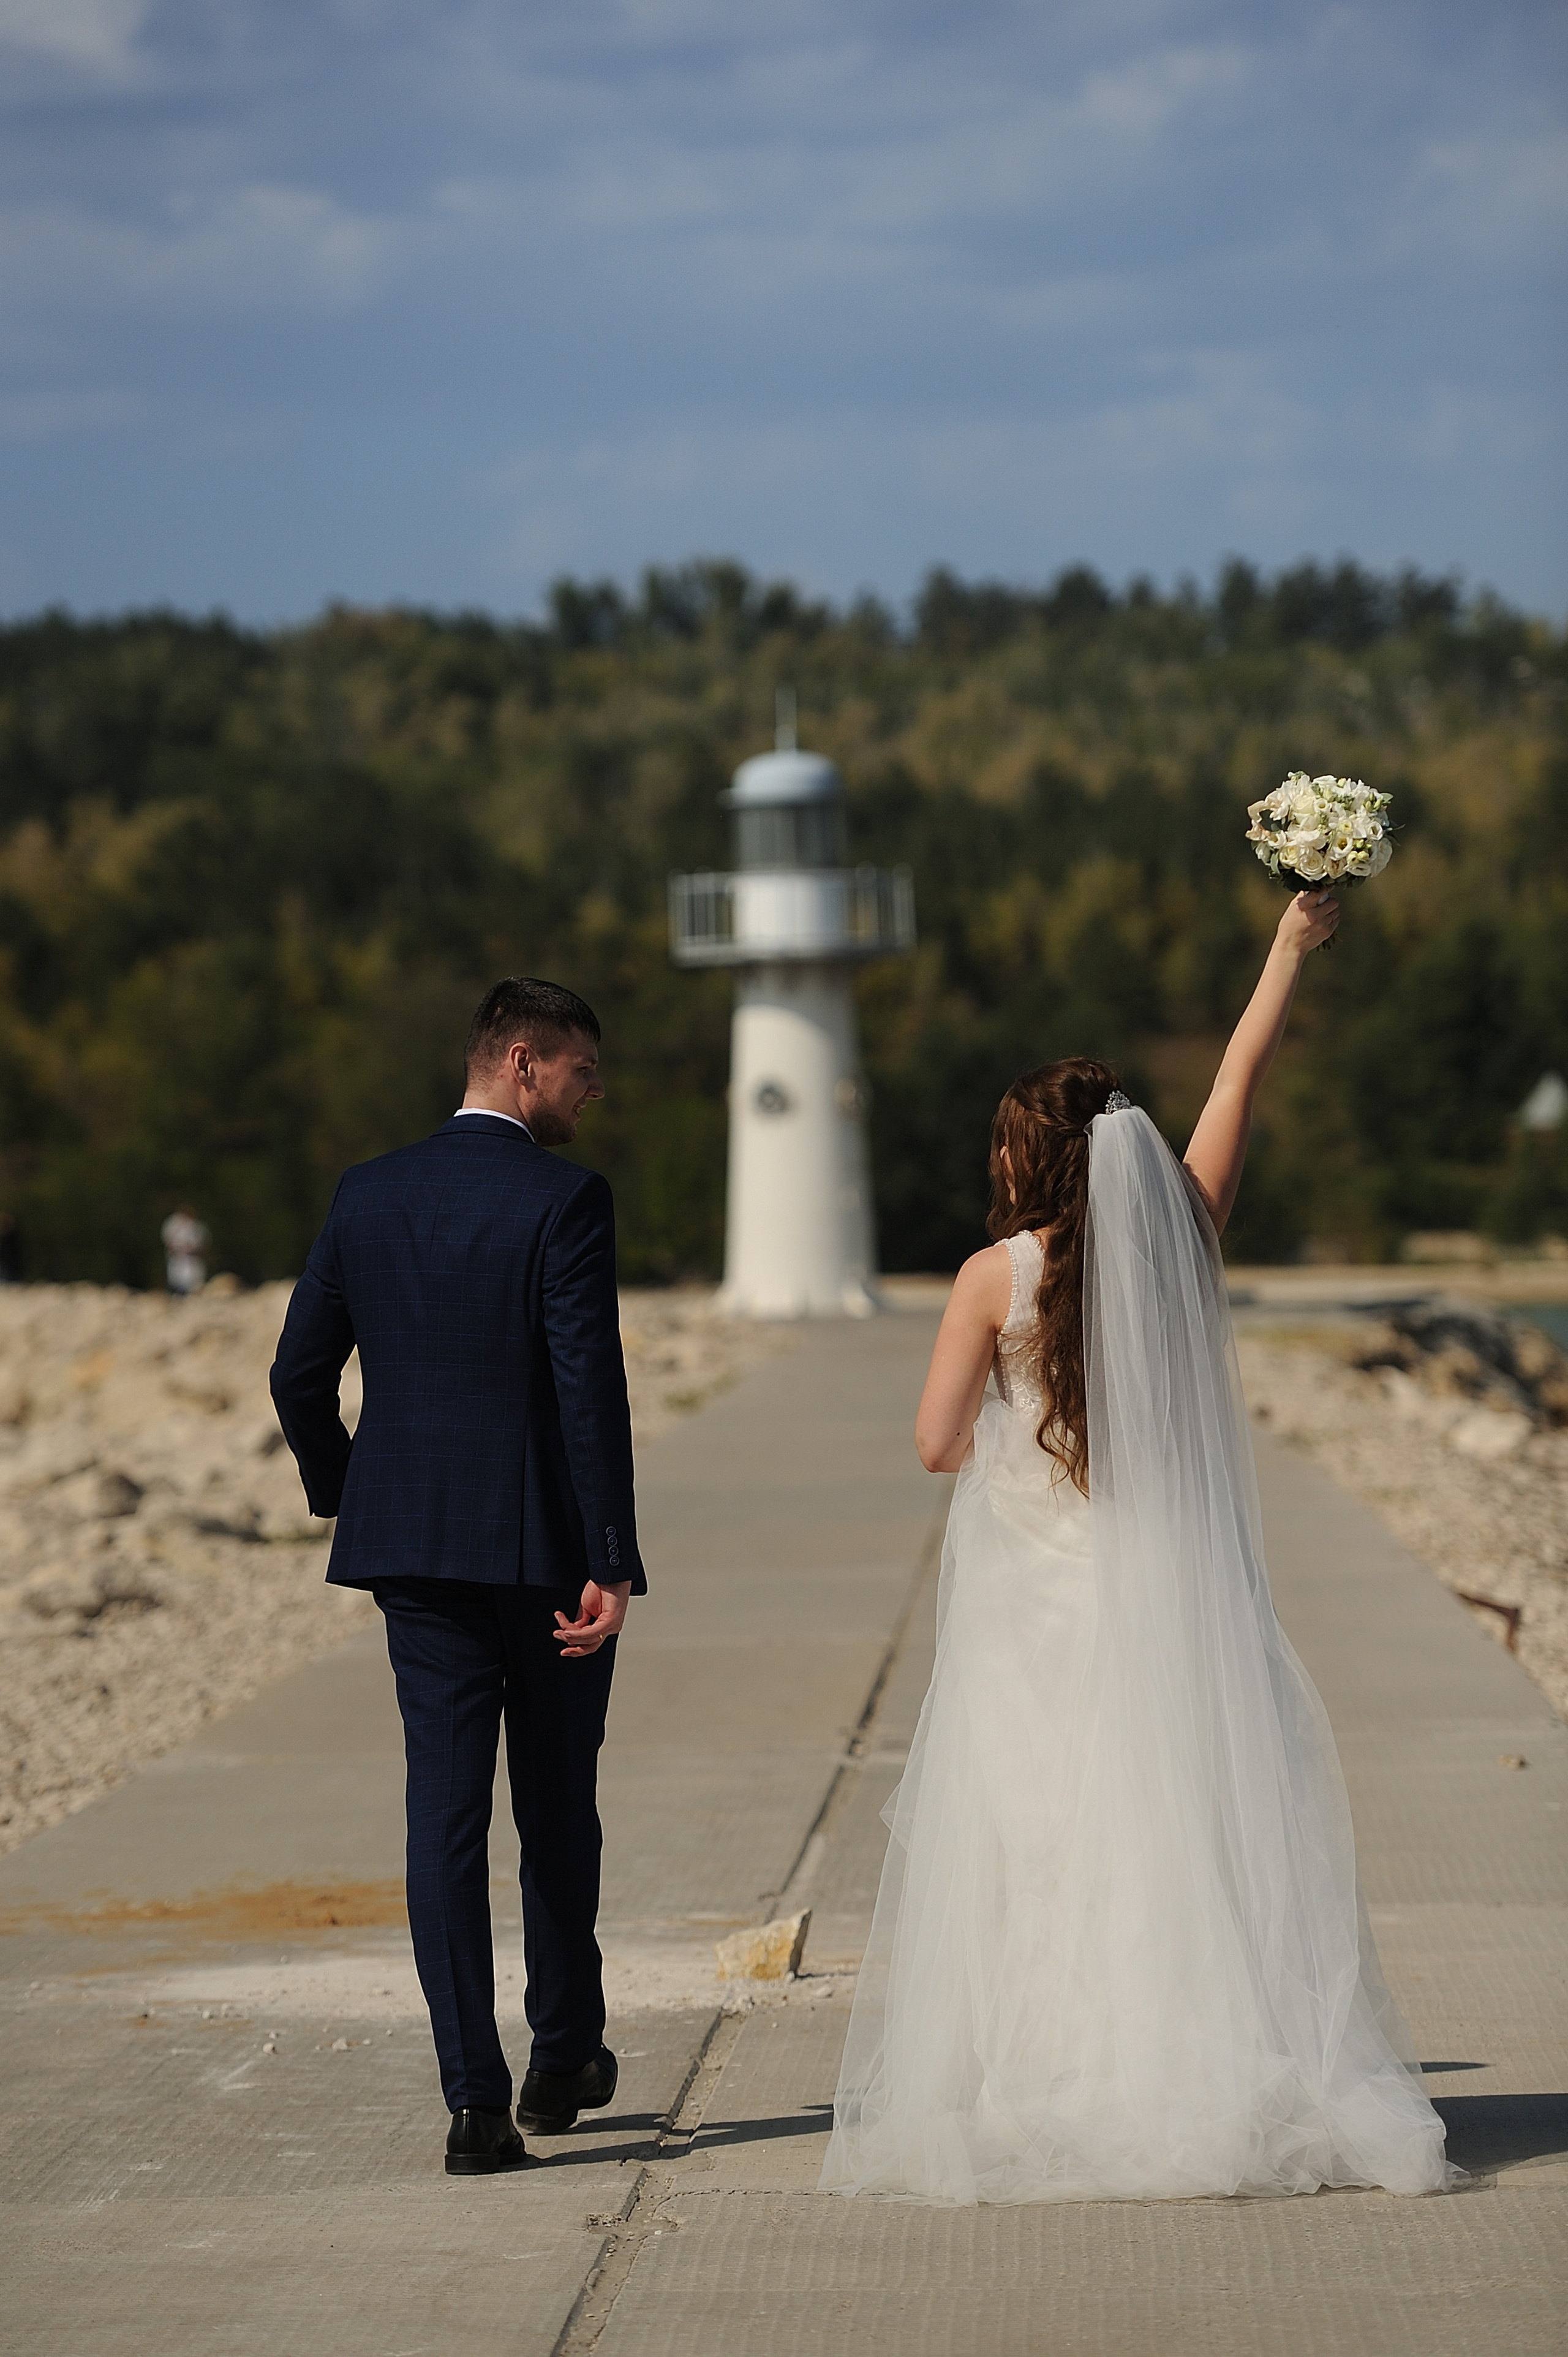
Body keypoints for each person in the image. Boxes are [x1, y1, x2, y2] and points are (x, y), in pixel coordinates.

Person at [821, 889, 1456, 2205]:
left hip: (1037, 1604)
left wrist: (1011, 1412)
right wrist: (1286, 948)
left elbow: (936, 1447)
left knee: (1044, 1840)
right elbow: (1237, 1077)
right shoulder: (1180, 1241)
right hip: (1166, 1590)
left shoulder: (991, 1279)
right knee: (1177, 1830)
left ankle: (1057, 2078)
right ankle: (1196, 2066)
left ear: (1022, 1161)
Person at [270, 977, 644, 2178]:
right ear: (521, 1063)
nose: (594, 1091)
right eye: (581, 1070)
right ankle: (561, 2056)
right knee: (554, 1808)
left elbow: (296, 1373)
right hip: (541, 1557)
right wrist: (611, 1560)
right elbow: (588, 1392)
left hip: (415, 1553)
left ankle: (473, 2104)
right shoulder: (564, 1199)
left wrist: (348, 1486)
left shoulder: (366, 1193)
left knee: (445, 1815)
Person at [162, 1205, 209, 1294]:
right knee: (177, 1280)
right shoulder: (172, 1224)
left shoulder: (196, 1226)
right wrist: (178, 1249)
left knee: (194, 1281)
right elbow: (168, 1241)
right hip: (177, 1258)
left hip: (192, 1259)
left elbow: (203, 1243)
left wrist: (193, 1249)